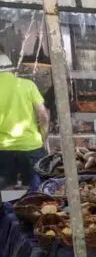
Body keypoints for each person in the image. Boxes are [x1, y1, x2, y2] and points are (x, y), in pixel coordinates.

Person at [0, 53, 49, 190]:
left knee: (6, 192)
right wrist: (43, 138)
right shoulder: (27, 85)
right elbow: (43, 115)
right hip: (30, 147)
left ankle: (11, 211)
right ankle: (34, 209)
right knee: (37, 190)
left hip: (2, 149)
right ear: (11, 70)